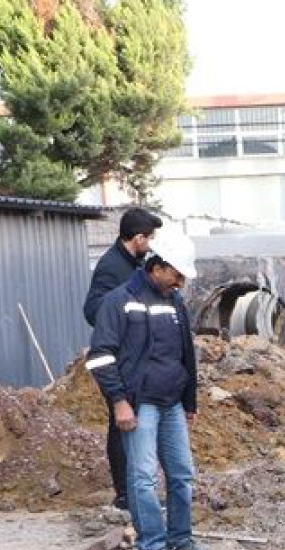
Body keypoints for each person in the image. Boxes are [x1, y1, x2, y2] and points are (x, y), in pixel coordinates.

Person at [85, 232, 212, 550]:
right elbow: (100, 357)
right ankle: (151, 548)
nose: (181, 282)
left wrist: (189, 402)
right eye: (177, 275)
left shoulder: (174, 302)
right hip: (140, 404)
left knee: (181, 473)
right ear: (157, 268)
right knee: (142, 477)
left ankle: (180, 539)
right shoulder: (119, 301)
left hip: (171, 402)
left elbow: (185, 355)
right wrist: (119, 401)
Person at [84, 208, 163, 511]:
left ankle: (138, 489)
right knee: (121, 424)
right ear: (138, 238)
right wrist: (122, 324)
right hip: (118, 358)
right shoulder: (111, 267)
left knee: (138, 422)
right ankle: (125, 494)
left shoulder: (135, 263)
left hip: (138, 356)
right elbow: (93, 310)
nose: (151, 245)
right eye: (149, 238)